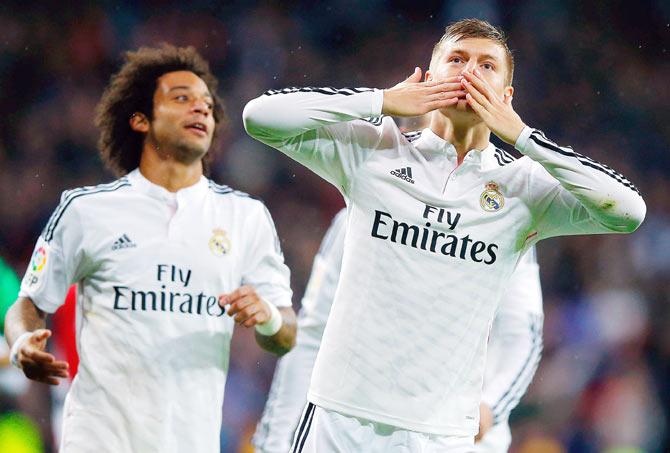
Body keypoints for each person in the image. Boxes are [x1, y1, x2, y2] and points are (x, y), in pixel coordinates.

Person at [243, 18, 646, 452]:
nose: (470, 72)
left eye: (487, 66)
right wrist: (383, 100)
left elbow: (628, 212)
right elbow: (259, 118)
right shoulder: (373, 151)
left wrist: (523, 136)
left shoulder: (525, 189)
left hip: (443, 434)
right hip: (341, 420)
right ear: (429, 79)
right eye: (457, 59)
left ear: (506, 97)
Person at [4, 44, 297, 453]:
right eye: (182, 98)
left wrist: (266, 316)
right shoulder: (87, 210)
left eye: (207, 105)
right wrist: (21, 344)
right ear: (140, 119)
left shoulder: (245, 217)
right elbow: (28, 303)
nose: (200, 109)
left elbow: (286, 332)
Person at [252, 209, 544, 452]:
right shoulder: (361, 210)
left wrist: (490, 405)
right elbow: (313, 337)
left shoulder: (503, 218)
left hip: (458, 439)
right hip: (356, 433)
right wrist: (275, 441)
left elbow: (521, 336)